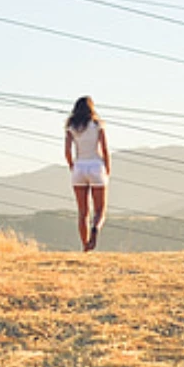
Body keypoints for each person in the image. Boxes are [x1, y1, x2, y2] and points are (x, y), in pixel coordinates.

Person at [63, 96, 111, 252]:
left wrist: (72, 165)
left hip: (79, 167)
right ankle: (96, 228)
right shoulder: (97, 125)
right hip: (96, 166)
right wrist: (107, 168)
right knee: (100, 210)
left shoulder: (71, 127)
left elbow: (67, 152)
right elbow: (104, 150)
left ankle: (85, 246)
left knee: (83, 212)